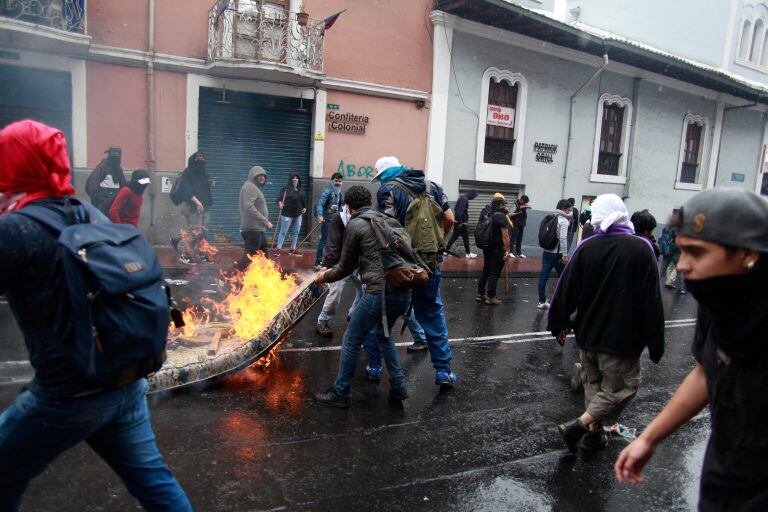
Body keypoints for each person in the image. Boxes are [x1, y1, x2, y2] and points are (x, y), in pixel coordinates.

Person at [0, 120, 191, 511]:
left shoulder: (15, 229)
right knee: (154, 483)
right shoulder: (85, 213)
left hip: (69, 393)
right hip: (125, 382)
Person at [615, 188, 768, 510]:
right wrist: (649, 437)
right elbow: (705, 372)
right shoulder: (719, 300)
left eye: (696, 253)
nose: (682, 265)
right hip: (724, 481)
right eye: (682, 251)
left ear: (747, 253)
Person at [549, 193, 664, 453]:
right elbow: (652, 300)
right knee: (622, 387)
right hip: (621, 339)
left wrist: (559, 324)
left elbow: (564, 290)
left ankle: (593, 438)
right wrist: (656, 340)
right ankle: (578, 427)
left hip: (588, 335)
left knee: (594, 385)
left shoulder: (587, 246)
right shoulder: (641, 248)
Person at [313, 185, 409, 408]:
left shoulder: (356, 224)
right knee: (384, 336)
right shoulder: (385, 219)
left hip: (379, 293)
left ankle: (341, 392)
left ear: (348, 205)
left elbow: (345, 268)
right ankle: (399, 387)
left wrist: (323, 276)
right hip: (403, 289)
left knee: (352, 338)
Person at [374, 155, 458, 386]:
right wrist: (438, 243)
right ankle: (443, 371)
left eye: (379, 177)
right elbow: (450, 219)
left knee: (382, 316)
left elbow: (386, 229)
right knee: (432, 312)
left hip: (401, 266)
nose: (380, 181)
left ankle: (373, 366)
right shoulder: (433, 187)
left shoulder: (388, 191)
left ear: (384, 174)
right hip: (430, 263)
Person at [315, 204, 363, 338]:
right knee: (335, 293)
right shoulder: (338, 219)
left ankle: (353, 314)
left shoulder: (364, 217)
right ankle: (322, 321)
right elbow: (332, 243)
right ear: (348, 206)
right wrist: (326, 264)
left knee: (364, 290)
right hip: (341, 263)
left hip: (359, 262)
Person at [171, 152, 214, 265]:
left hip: (205, 206)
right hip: (193, 206)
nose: (201, 162)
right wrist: (198, 203)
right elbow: (187, 191)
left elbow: (200, 186)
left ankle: (201, 253)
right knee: (196, 231)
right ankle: (185, 255)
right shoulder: (188, 173)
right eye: (198, 159)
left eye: (202, 159)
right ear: (193, 160)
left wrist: (208, 182)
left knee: (203, 232)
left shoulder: (202, 172)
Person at [235, 166, 272, 270]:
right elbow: (248, 207)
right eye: (259, 175)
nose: (262, 178)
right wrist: (265, 221)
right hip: (252, 230)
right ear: (253, 176)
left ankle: (266, 278)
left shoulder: (253, 187)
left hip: (257, 229)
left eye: (263, 176)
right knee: (249, 258)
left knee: (263, 256)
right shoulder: (249, 187)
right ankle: (226, 276)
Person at [477, 196, 511, 305]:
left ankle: (480, 294)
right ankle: (491, 296)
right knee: (494, 272)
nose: (505, 206)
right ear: (500, 205)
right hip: (497, 249)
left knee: (486, 269)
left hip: (487, 247)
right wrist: (508, 250)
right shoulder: (501, 217)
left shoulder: (487, 213)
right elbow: (505, 236)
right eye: (504, 204)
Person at [537, 199, 571, 309]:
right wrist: (565, 255)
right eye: (568, 209)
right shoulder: (563, 221)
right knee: (564, 278)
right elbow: (563, 238)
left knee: (543, 276)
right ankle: (562, 302)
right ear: (564, 209)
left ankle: (542, 301)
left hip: (546, 252)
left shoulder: (550, 217)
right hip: (557, 254)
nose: (569, 211)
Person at [314, 172, 344, 269]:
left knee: (333, 242)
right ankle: (318, 262)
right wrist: (319, 215)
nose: (338, 182)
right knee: (324, 241)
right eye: (336, 180)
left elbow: (341, 207)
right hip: (326, 220)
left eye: (340, 181)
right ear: (332, 181)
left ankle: (329, 262)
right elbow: (320, 204)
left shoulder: (339, 193)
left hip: (335, 221)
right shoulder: (327, 191)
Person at [85, 146, 126, 216]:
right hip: (101, 205)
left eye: (117, 155)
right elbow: (93, 187)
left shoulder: (119, 170)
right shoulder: (102, 167)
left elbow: (123, 186)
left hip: (113, 206)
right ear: (109, 155)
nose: (115, 157)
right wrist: (99, 201)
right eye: (113, 155)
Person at [275, 173, 306, 256]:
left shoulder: (300, 189)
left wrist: (304, 207)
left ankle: (292, 249)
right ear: (290, 179)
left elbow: (303, 200)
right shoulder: (285, 189)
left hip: (298, 214)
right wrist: (280, 203)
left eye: (297, 178)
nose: (295, 179)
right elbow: (279, 199)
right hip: (287, 214)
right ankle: (278, 249)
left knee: (296, 232)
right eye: (293, 178)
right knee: (283, 232)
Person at [444, 189, 478, 258]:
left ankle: (446, 251)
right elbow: (459, 212)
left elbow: (457, 210)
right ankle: (468, 254)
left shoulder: (462, 198)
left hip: (458, 222)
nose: (473, 198)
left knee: (454, 237)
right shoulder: (464, 199)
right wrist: (460, 223)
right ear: (472, 194)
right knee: (466, 238)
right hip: (461, 223)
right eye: (474, 197)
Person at [659, 210, 685, 294]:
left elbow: (662, 238)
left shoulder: (666, 227)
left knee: (663, 268)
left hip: (667, 251)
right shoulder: (678, 228)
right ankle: (679, 289)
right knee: (679, 270)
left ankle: (655, 284)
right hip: (676, 252)